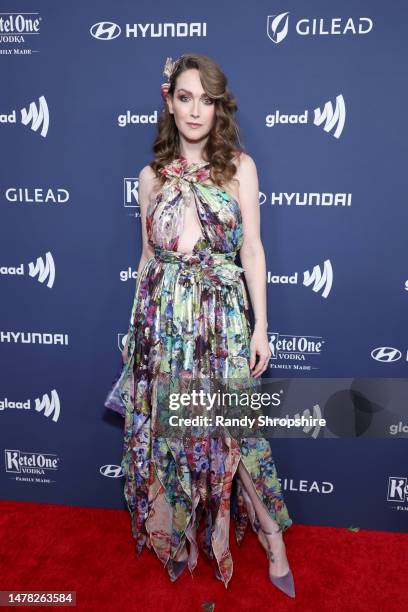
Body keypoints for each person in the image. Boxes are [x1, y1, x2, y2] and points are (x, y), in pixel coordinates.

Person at [105, 53, 295, 598]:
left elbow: (253, 251)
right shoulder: (149, 178)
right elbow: (146, 260)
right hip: (163, 325)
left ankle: (272, 539)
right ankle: (184, 533)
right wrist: (134, 335)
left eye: (206, 100)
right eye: (185, 97)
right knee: (173, 436)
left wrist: (261, 328)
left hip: (222, 320)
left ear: (218, 108)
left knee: (239, 433)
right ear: (168, 101)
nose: (195, 110)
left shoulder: (239, 168)